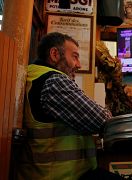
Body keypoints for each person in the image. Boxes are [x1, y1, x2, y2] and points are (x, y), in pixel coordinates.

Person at [17, 32, 122, 180]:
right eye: (74, 56)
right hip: (61, 176)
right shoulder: (54, 81)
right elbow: (102, 120)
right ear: (54, 54)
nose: (78, 65)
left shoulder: (34, 74)